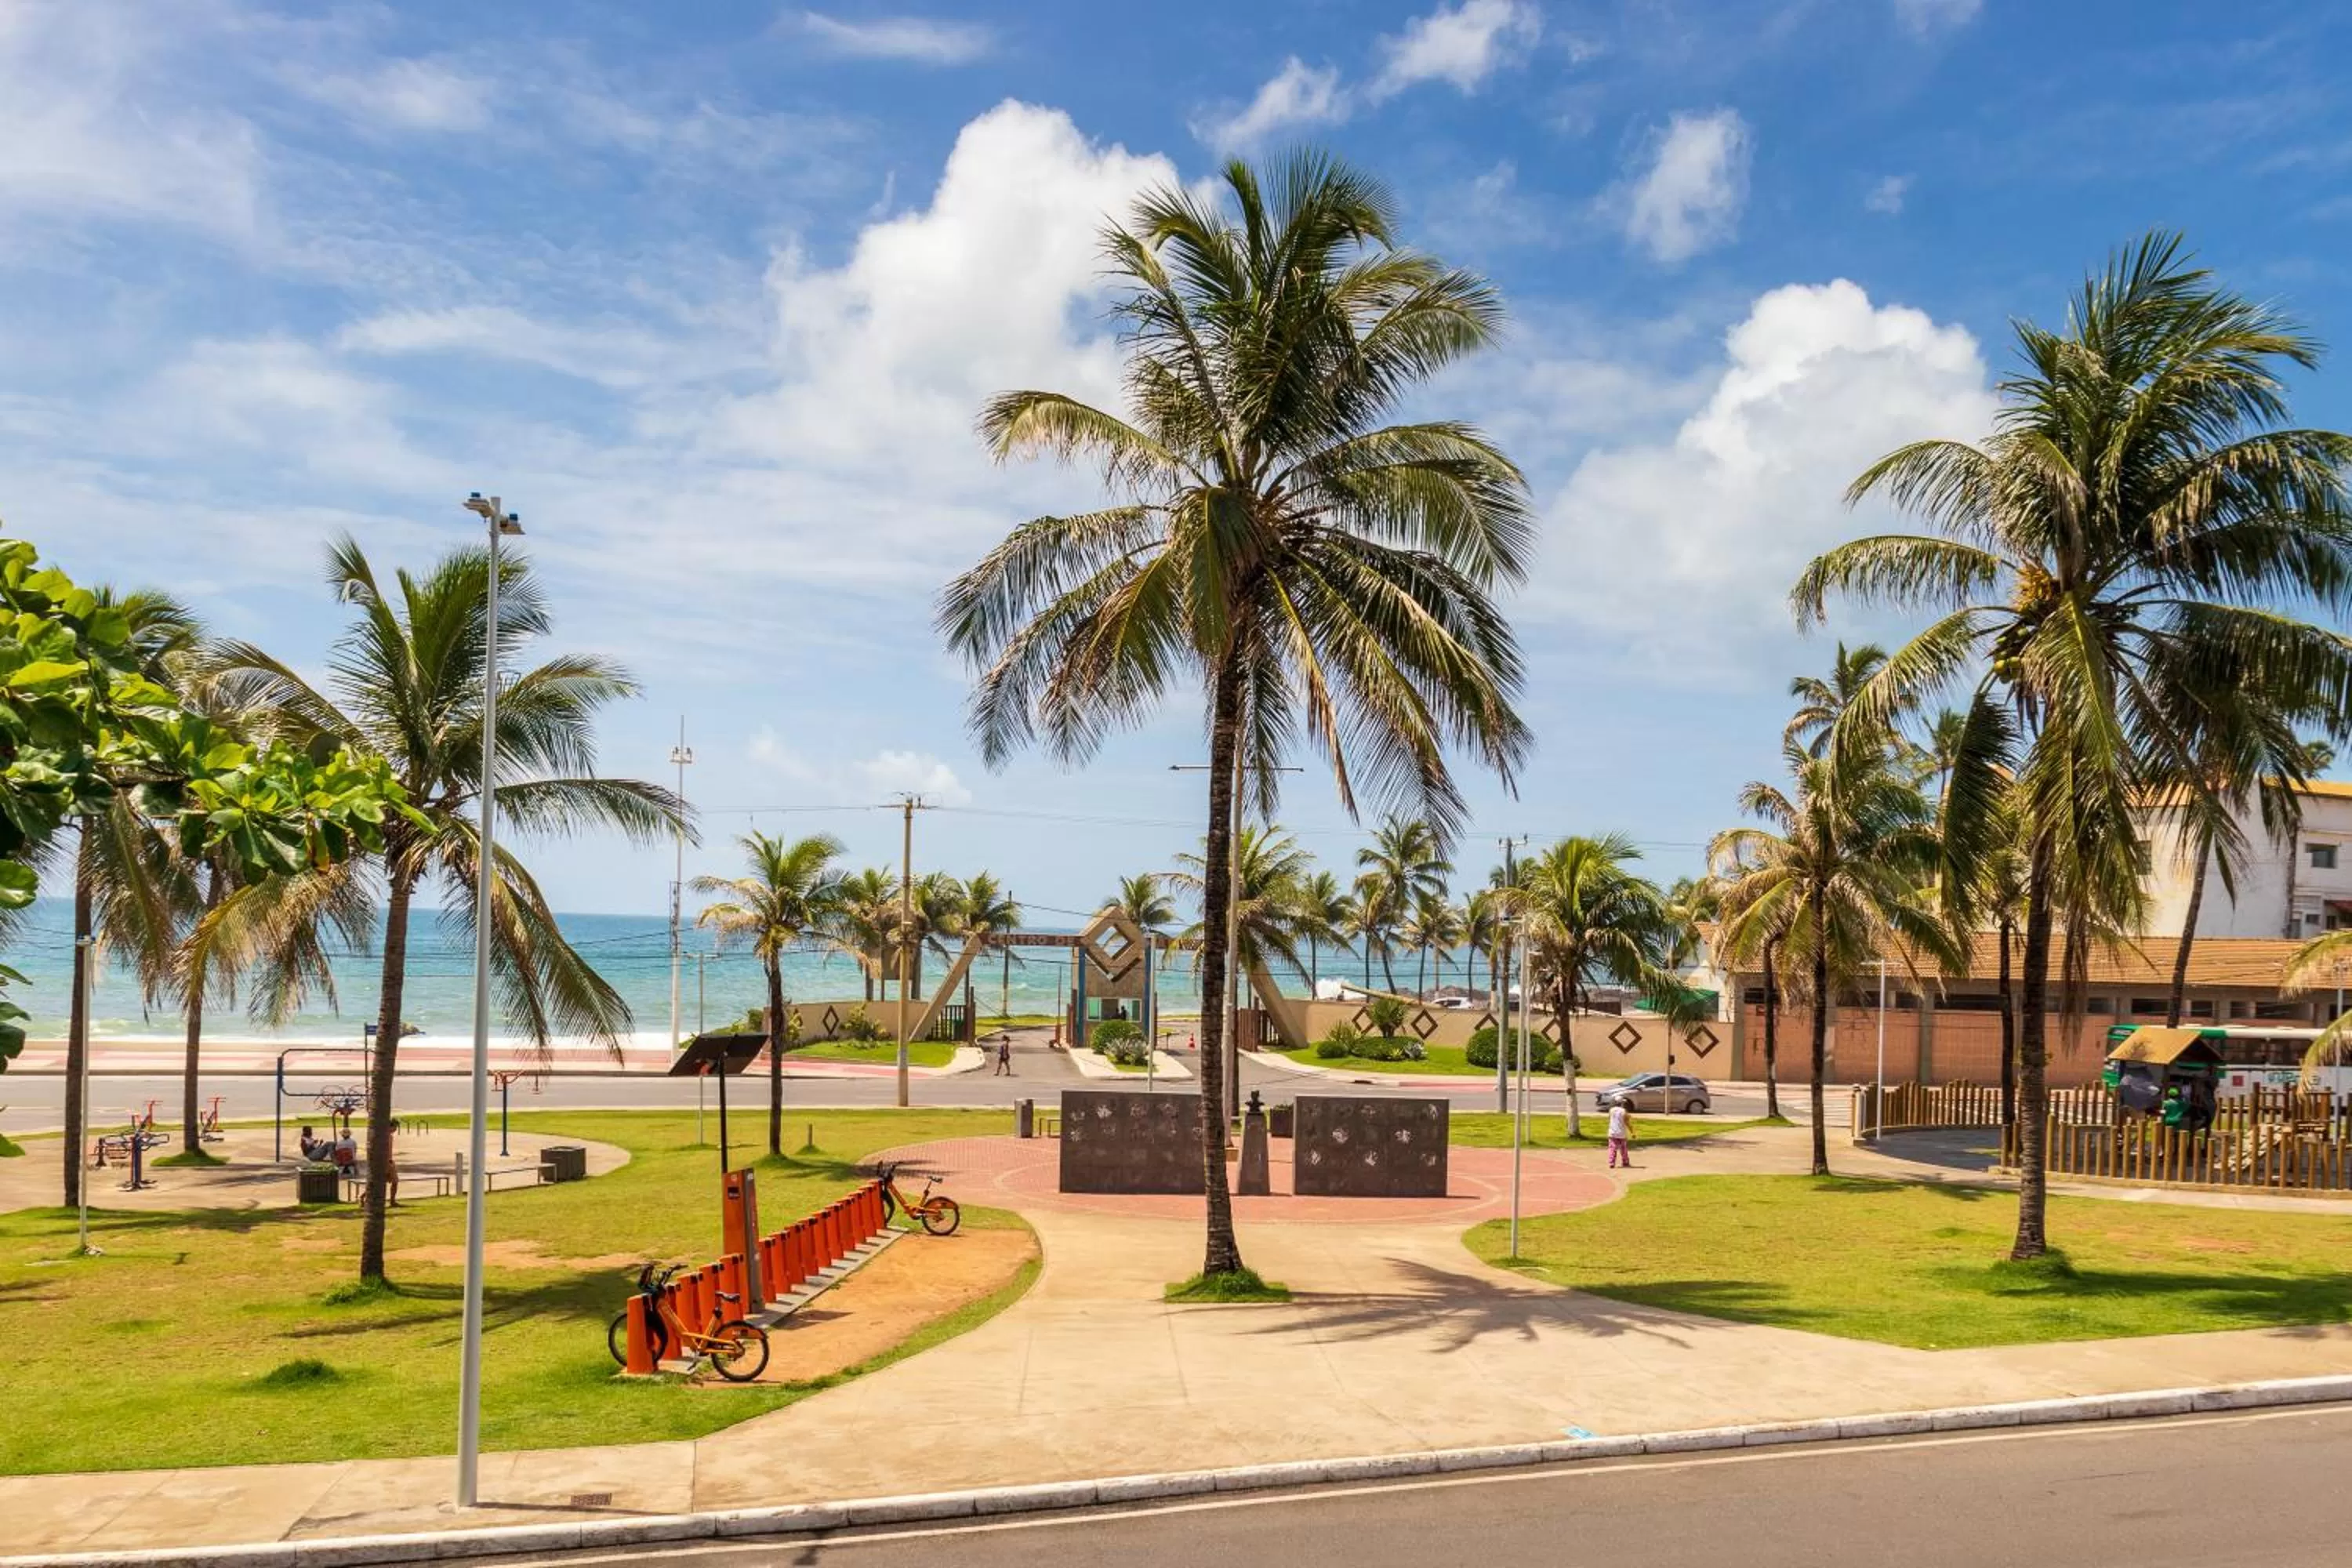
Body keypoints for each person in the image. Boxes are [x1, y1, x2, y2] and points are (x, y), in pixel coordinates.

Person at [1606, 1099, 1635, 1169]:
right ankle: (1625, 1161)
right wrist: (1632, 1132)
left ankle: (1611, 1162)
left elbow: (1610, 1118)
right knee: (1623, 1148)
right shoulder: (1624, 1111)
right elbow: (1627, 1123)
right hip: (1621, 1133)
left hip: (1612, 1132)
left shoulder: (1611, 1110)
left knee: (1612, 1148)